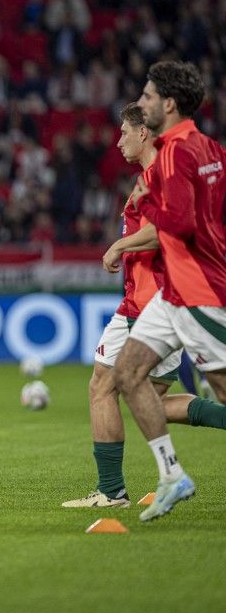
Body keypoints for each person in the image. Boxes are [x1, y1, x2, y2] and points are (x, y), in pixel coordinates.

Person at [62, 102, 225, 509]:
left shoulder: (162, 174)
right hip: (142, 300)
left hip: (155, 304)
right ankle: (114, 490)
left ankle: (115, 490)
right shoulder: (147, 177)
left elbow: (166, 229)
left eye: (123, 133)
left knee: (117, 391)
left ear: (143, 133)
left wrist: (120, 243)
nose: (117, 141)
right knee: (133, 396)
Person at [114, 61, 226, 521]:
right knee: (127, 373)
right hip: (173, 291)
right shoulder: (209, 147)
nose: (142, 103)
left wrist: (146, 200)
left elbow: (178, 222)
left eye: (147, 96)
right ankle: (172, 474)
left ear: (169, 103)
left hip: (198, 291)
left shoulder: (175, 155)